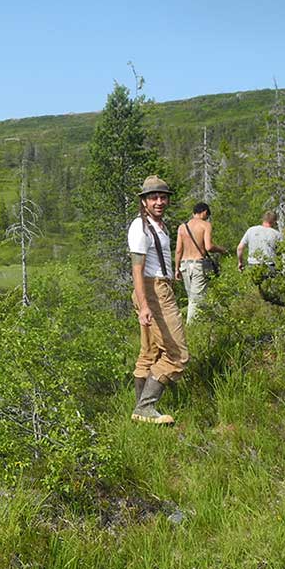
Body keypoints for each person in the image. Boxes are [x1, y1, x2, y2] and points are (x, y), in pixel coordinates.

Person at [128, 175, 188, 425]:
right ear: (144, 202)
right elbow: (137, 271)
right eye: (153, 197)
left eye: (163, 197)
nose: (159, 201)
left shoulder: (159, 226)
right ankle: (146, 406)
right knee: (178, 355)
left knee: (150, 353)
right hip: (152, 292)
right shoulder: (140, 228)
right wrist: (144, 306)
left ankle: (139, 411)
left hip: (158, 289)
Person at [174, 202, 227, 324]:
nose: (207, 217)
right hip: (198, 264)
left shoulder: (182, 227)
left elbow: (178, 250)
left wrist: (176, 269)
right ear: (204, 212)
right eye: (207, 215)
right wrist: (221, 249)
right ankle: (191, 328)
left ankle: (208, 322)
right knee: (196, 300)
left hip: (184, 265)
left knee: (192, 298)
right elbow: (208, 247)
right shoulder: (205, 225)